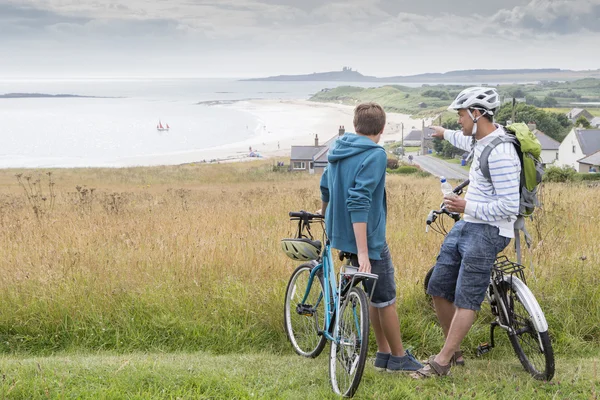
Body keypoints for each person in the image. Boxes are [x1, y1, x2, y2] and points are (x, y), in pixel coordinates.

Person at [413, 87, 521, 378]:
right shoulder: (482, 139)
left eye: (461, 114)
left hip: (490, 230)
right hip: (469, 223)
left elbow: (510, 206)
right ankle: (454, 350)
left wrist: (465, 204)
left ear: (477, 114)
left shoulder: (500, 152)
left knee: (466, 297)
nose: (459, 120)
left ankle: (443, 361)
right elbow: (462, 137)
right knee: (437, 286)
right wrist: (442, 132)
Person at [319, 102, 422, 373]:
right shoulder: (375, 154)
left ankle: (383, 352)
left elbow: (325, 187)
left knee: (373, 294)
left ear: (355, 126)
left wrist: (324, 217)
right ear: (382, 128)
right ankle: (399, 358)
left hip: (341, 235)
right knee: (386, 297)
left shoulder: (338, 149)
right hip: (368, 240)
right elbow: (359, 201)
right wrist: (364, 252)